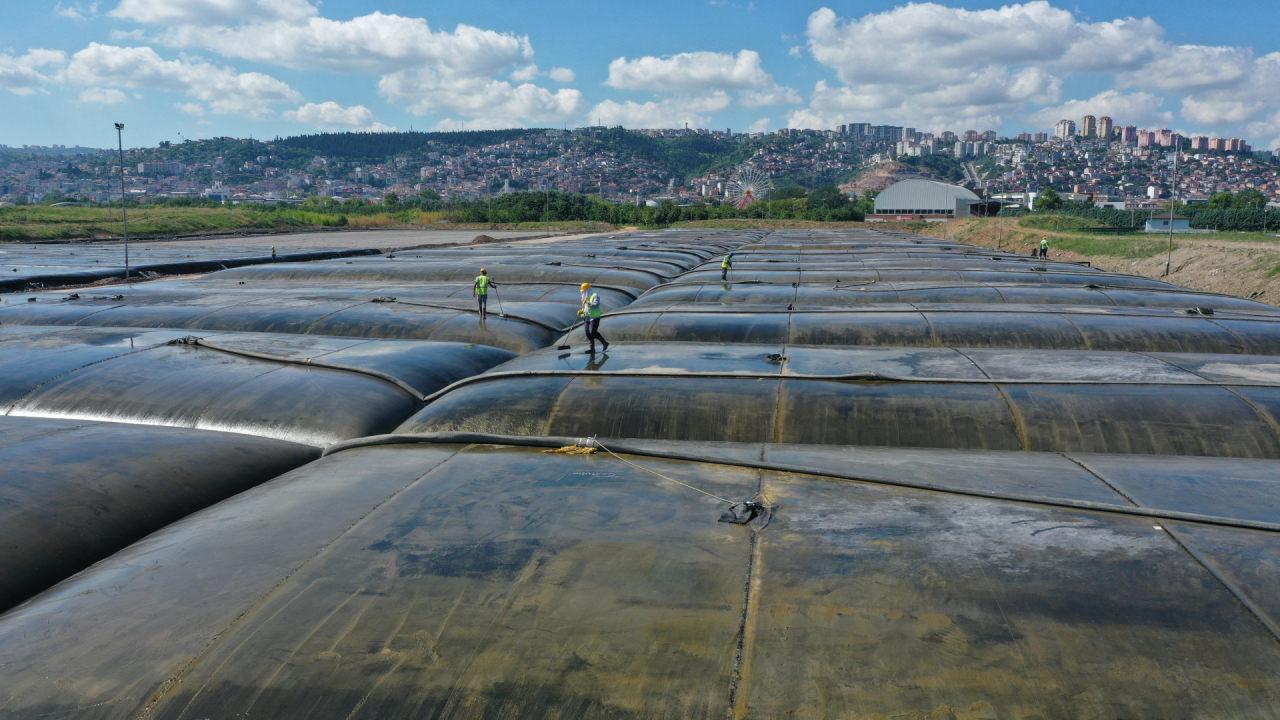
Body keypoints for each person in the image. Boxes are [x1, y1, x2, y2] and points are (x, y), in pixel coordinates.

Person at [579, 281, 609, 353]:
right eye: (582, 291)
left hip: (594, 317)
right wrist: (581, 311)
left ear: (587, 290)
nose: (582, 293)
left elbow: (596, 305)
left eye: (584, 291)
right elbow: (585, 308)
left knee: (593, 332)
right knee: (587, 332)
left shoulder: (595, 296)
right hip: (587, 317)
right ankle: (592, 349)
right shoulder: (584, 298)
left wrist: (588, 302)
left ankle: (604, 343)